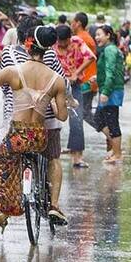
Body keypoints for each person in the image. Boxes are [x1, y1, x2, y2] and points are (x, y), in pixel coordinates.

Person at [0, 25, 67, 232]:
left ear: (28, 45)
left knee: (4, 164)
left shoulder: (13, 72)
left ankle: (2, 211)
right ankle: (53, 204)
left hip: (17, 135)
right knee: (52, 158)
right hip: (40, 136)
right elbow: (62, 116)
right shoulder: (57, 80)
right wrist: (51, 102)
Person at [53, 24, 95, 168]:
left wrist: (77, 72)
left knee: (76, 119)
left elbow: (91, 57)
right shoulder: (52, 45)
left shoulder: (77, 42)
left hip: (74, 85)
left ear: (70, 38)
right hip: (54, 85)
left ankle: (77, 157)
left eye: (65, 41)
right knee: (50, 120)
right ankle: (50, 155)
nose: (62, 44)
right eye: (60, 41)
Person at [95, 25, 125, 164]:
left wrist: (106, 92)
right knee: (100, 120)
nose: (97, 38)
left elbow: (111, 71)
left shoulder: (110, 50)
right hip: (108, 88)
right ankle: (115, 147)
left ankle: (117, 153)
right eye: (96, 35)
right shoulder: (108, 49)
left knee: (111, 121)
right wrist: (97, 78)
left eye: (99, 34)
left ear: (108, 35)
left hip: (111, 91)